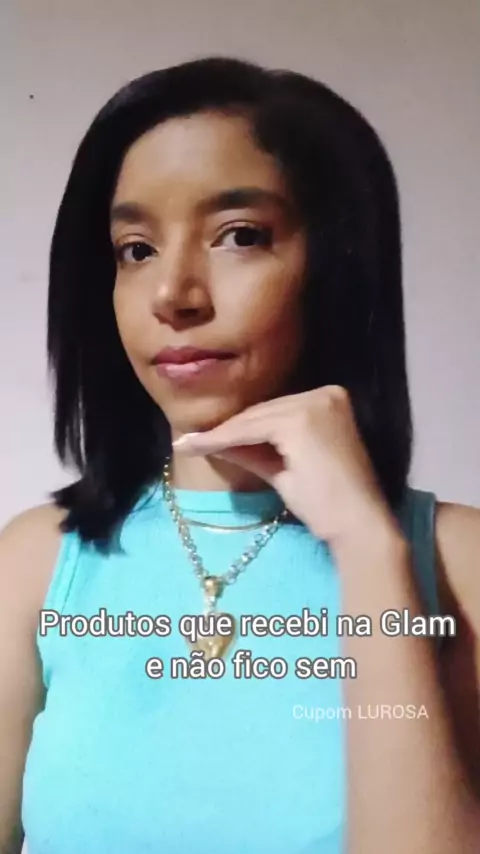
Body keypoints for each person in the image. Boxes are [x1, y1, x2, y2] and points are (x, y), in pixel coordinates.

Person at [0, 56, 479, 854]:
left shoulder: (458, 563)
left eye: (239, 236)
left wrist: (367, 546)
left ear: (335, 266)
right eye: (136, 249)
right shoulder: (37, 562)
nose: (173, 294)